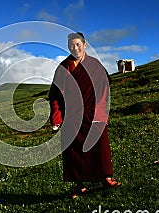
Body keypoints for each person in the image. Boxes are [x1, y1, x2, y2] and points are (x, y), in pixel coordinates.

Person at [49, 32, 121, 199]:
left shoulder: (95, 65)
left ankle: (106, 178)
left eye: (78, 44)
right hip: (71, 116)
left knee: (100, 146)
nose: (75, 48)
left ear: (85, 45)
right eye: (71, 45)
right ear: (68, 47)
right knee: (74, 151)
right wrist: (57, 116)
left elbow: (104, 89)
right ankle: (79, 185)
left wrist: (101, 114)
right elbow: (55, 95)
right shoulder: (62, 68)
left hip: (93, 113)